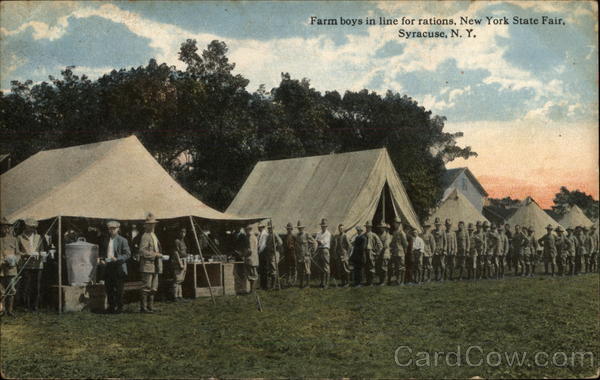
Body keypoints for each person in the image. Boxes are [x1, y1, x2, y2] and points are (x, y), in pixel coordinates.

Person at [99, 221, 131, 313]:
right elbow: (103, 252)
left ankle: (120, 307)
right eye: (110, 228)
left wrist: (117, 258)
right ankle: (111, 306)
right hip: (108, 266)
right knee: (109, 287)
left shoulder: (122, 240)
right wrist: (101, 259)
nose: (112, 230)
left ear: (118, 229)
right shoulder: (105, 240)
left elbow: (128, 254)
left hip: (118, 266)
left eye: (114, 228)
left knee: (119, 288)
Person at [17, 218, 46, 311]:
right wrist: (26, 254)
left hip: (38, 265)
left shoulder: (38, 237)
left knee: (36, 286)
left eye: (34, 227)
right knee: (26, 285)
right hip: (26, 265)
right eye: (31, 226)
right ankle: (25, 305)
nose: (33, 228)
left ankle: (35, 306)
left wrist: (41, 254)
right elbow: (17, 252)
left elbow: (41, 249)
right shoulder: (20, 237)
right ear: (26, 226)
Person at [138, 213, 163, 313]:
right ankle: (143, 308)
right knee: (146, 287)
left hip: (156, 265)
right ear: (146, 225)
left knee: (154, 287)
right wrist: (155, 254)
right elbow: (142, 251)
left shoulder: (154, 235)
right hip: (147, 265)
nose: (153, 226)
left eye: (154, 224)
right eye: (150, 224)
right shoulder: (145, 236)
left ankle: (150, 307)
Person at [1, 217, 19, 317]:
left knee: (11, 289)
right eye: (3, 227)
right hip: (1, 269)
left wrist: (15, 259)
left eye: (7, 227)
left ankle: (10, 310)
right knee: (1, 290)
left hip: (11, 268)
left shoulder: (14, 239)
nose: (5, 229)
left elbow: (18, 253)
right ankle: (2, 310)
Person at [171, 226, 188, 301]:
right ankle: (175, 296)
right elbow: (176, 253)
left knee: (181, 280)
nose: (183, 234)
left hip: (184, 260)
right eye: (182, 232)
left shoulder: (183, 241)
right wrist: (180, 263)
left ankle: (180, 296)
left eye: (184, 232)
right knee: (177, 279)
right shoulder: (177, 241)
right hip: (178, 260)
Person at [240, 225, 259, 293]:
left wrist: (243, 254)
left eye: (246, 230)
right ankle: (252, 289)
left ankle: (253, 290)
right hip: (252, 258)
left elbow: (250, 250)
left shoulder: (251, 238)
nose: (245, 231)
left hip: (251, 258)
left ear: (249, 230)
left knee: (253, 274)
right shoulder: (252, 237)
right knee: (251, 274)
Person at [389, 217, 408, 285]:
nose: (395, 224)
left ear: (399, 224)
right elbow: (393, 242)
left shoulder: (401, 233)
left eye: (396, 223)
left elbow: (405, 243)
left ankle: (402, 282)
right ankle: (398, 280)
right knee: (397, 267)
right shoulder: (394, 232)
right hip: (395, 252)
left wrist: (404, 252)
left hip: (401, 252)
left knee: (402, 267)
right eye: (394, 223)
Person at [364, 221, 382, 286]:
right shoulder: (364, 235)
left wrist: (377, 252)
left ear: (371, 228)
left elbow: (380, 244)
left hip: (371, 251)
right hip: (365, 251)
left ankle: (371, 282)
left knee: (372, 266)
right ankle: (368, 281)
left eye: (369, 227)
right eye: (366, 227)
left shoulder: (374, 235)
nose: (367, 228)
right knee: (366, 266)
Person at [295, 221, 312, 288]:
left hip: (306, 256)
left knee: (307, 270)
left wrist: (310, 251)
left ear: (303, 228)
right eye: (299, 228)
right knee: (301, 270)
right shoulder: (297, 236)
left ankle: (308, 284)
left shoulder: (307, 235)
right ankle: (301, 284)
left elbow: (314, 243)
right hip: (300, 256)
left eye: (301, 228)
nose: (300, 229)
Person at [315, 219, 332, 289]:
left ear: (326, 226)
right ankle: (322, 282)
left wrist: (318, 241)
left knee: (326, 267)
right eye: (322, 226)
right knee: (320, 266)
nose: (323, 227)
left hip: (325, 250)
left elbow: (323, 242)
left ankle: (327, 284)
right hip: (319, 250)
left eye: (324, 226)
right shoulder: (318, 233)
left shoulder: (328, 234)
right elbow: (315, 240)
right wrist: (318, 241)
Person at [283, 222, 297, 287]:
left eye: (290, 229)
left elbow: (297, 245)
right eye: (288, 229)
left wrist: (293, 246)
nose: (289, 230)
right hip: (287, 254)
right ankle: (288, 281)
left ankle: (293, 281)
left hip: (292, 253)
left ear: (292, 229)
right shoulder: (285, 237)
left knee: (294, 267)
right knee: (287, 268)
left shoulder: (294, 236)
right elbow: (283, 245)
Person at [257, 222, 269, 289]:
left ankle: (265, 285)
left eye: (259, 227)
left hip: (263, 253)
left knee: (264, 269)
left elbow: (263, 245)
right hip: (261, 253)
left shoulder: (264, 234)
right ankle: (262, 284)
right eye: (258, 228)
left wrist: (259, 252)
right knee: (262, 269)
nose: (259, 229)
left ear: (262, 227)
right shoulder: (260, 234)